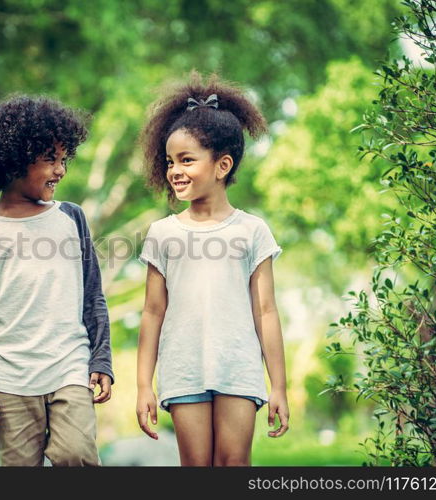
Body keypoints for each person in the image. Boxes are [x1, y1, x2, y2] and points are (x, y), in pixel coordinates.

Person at [135, 72, 290, 466]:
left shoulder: (252, 230)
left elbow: (266, 311)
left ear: (222, 165)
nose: (175, 170)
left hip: (238, 365)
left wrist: (280, 387)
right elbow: (153, 312)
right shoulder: (162, 233)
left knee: (233, 466)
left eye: (187, 160)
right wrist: (142, 386)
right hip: (182, 368)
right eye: (170, 161)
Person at [0, 95, 113, 466]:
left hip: (68, 366)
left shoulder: (71, 218)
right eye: (50, 160)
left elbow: (93, 297)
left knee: (77, 455)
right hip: (7, 377)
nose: (61, 170)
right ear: (14, 159)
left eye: (63, 159)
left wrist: (101, 359)